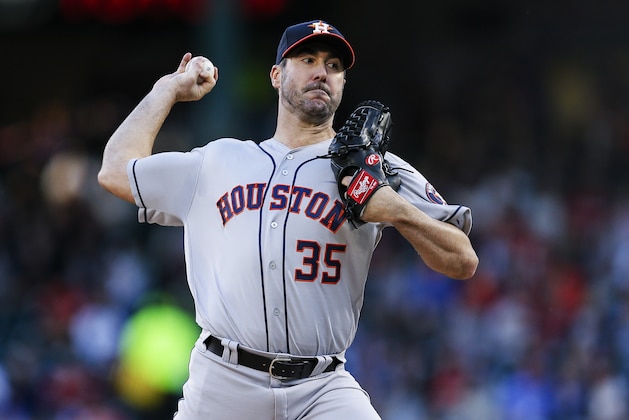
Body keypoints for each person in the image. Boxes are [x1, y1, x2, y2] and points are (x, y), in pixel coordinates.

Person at [98, 19, 478, 420]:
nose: (321, 72)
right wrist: (167, 90)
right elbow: (115, 171)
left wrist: (397, 211)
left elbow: (463, 260)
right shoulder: (218, 160)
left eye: (334, 66)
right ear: (277, 75)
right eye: (307, 59)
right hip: (224, 381)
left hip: (322, 387)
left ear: (343, 84)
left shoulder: (374, 169)